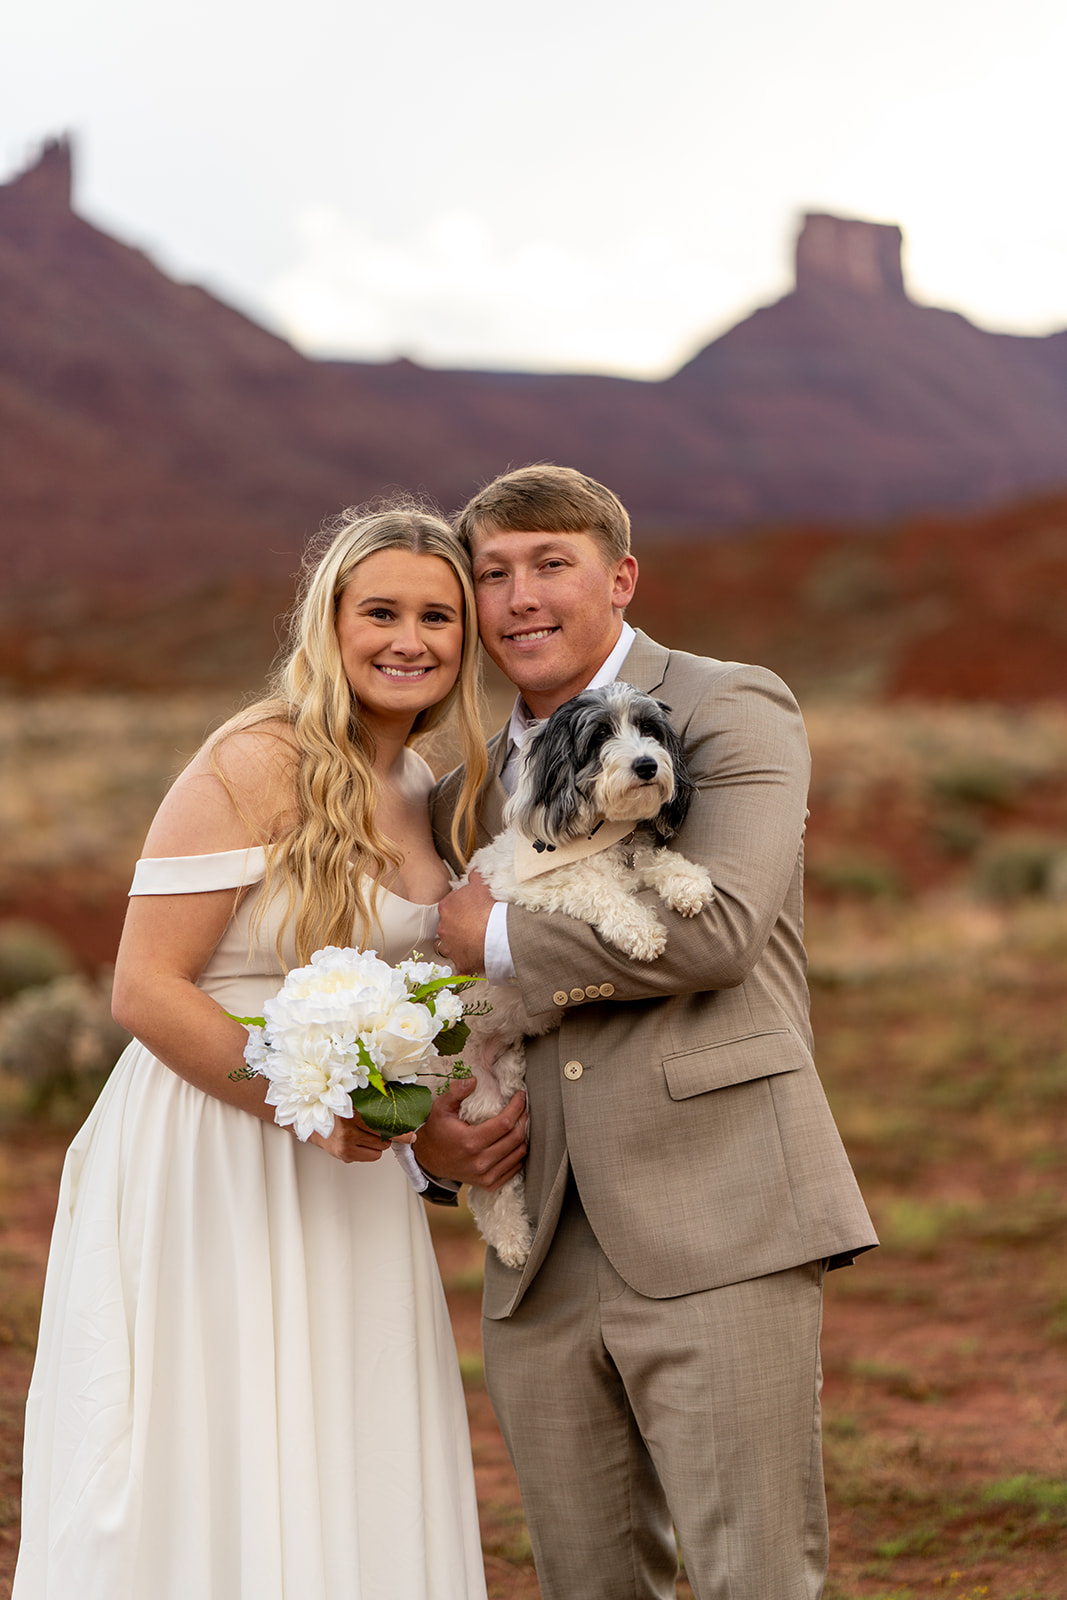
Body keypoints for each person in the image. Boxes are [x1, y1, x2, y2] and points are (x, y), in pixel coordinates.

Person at [13, 504, 513, 1600]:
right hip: (213, 1147)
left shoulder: (430, 797)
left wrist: (417, 1126)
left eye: (437, 616)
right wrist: (307, 1096)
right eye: (379, 610)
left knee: (346, 1428)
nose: (408, 638)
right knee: (213, 1431)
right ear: (328, 621)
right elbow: (144, 987)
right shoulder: (256, 756)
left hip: (347, 1173)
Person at [416, 465, 878, 1600]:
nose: (519, 598)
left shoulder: (729, 704)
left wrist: (500, 940)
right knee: (586, 1579)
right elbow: (430, 989)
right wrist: (428, 1135)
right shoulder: (456, 782)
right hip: (538, 1250)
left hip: (717, 1210)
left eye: (549, 565)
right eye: (492, 574)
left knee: (751, 1576)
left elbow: (716, 930)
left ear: (619, 578)